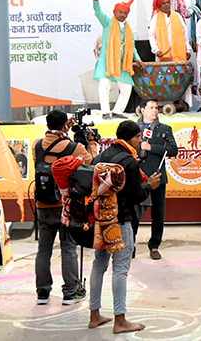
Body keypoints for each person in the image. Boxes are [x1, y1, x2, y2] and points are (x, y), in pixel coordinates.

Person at [89, 121, 161, 333]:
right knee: (120, 268)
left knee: (98, 265)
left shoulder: (102, 155)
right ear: (130, 138)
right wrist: (150, 185)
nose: (141, 141)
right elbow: (135, 195)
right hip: (120, 221)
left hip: (101, 219)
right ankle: (120, 320)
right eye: (138, 137)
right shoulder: (129, 161)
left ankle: (94, 315)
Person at [33, 110, 97, 306]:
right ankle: (70, 291)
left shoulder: (37, 146)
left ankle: (42, 293)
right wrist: (91, 142)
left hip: (43, 204)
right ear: (64, 126)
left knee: (43, 249)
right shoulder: (73, 147)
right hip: (66, 205)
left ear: (47, 125)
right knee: (68, 248)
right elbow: (92, 162)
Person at [92, 0, 146, 119]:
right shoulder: (108, 22)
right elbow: (99, 13)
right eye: (120, 12)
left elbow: (132, 46)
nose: (123, 14)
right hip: (107, 61)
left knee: (127, 87)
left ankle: (117, 111)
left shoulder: (128, 28)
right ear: (115, 12)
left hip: (122, 63)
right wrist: (95, 1)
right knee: (105, 85)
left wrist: (138, 58)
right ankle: (105, 112)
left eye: (125, 12)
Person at [135, 98, 178, 261]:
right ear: (142, 110)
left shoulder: (164, 129)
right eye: (151, 107)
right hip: (137, 177)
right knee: (133, 213)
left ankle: (154, 246)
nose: (155, 110)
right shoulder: (134, 128)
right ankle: (130, 245)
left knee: (158, 214)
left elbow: (174, 150)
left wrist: (152, 148)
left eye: (157, 107)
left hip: (158, 176)